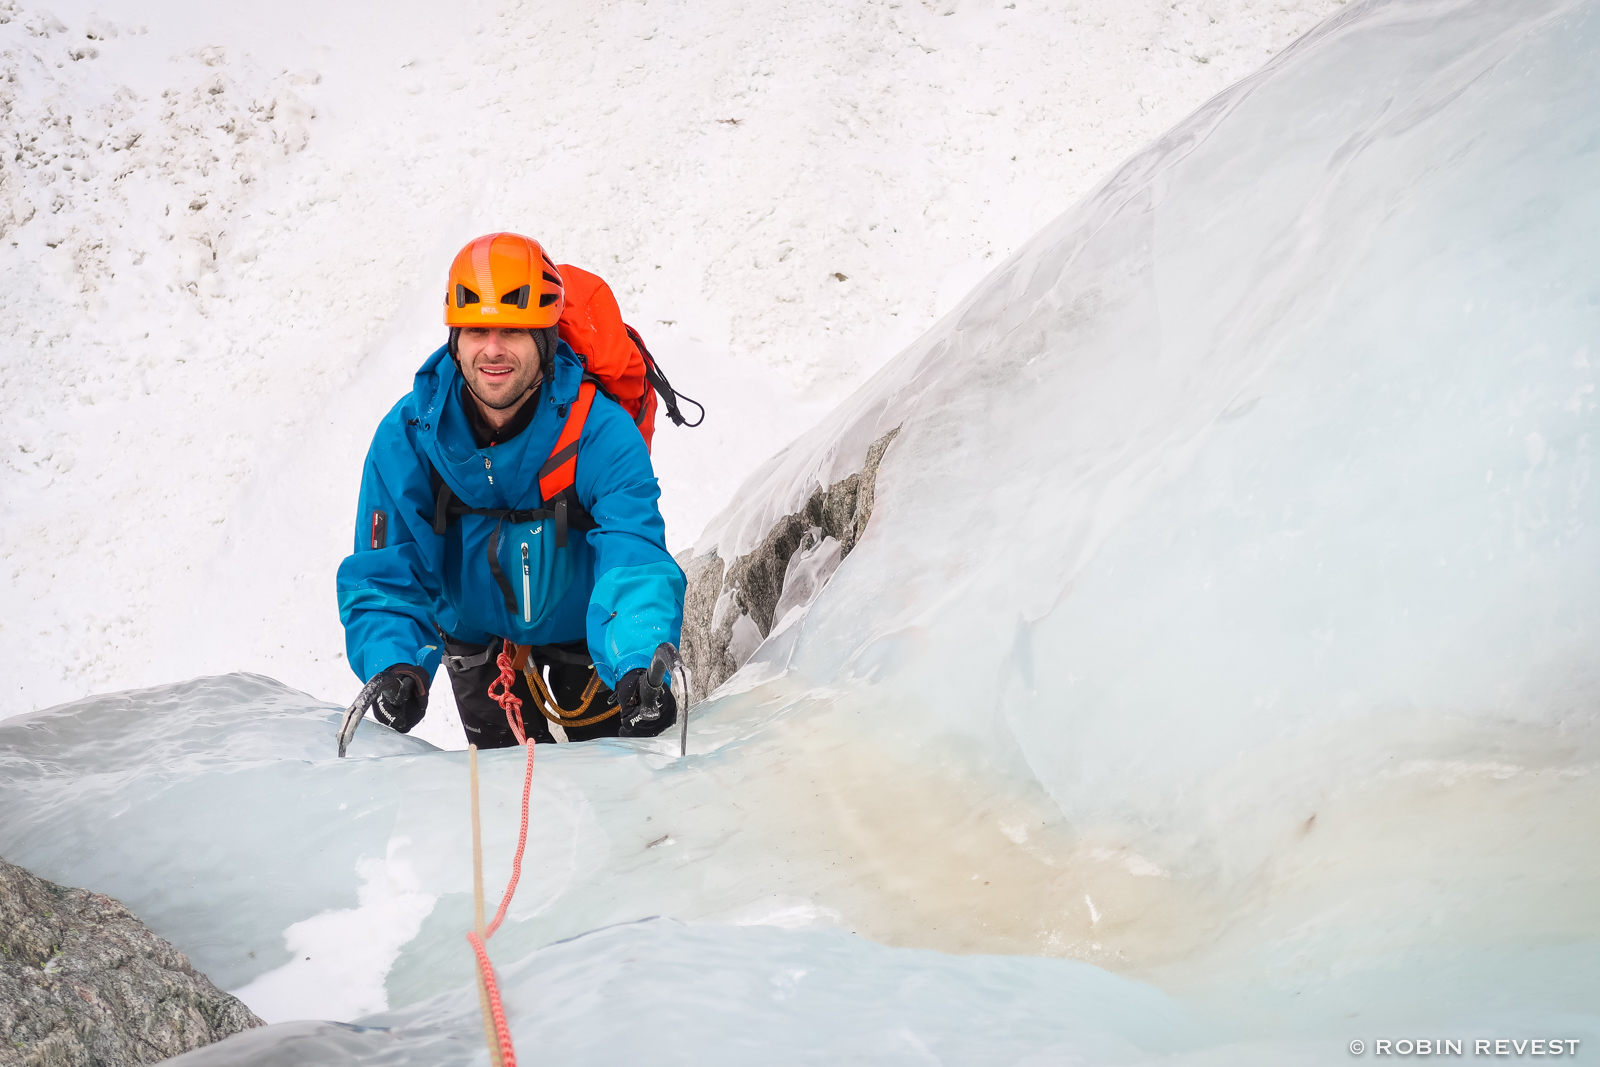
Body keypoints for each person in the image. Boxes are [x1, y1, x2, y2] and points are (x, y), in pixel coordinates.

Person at [336, 232, 683, 747]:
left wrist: (637, 657)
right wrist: (394, 661)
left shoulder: (598, 431)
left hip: (585, 635)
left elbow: (632, 548)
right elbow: (387, 567)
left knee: (618, 797)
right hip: (474, 643)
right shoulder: (408, 439)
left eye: (513, 331)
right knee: (505, 807)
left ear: (544, 341)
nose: (492, 350)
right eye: (476, 330)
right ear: (455, 339)